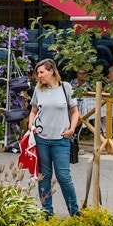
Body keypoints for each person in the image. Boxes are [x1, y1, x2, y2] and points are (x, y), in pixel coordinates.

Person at [29, 58, 80, 217]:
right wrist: (31, 126)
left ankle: (74, 212)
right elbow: (33, 111)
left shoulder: (66, 87)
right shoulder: (38, 89)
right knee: (44, 176)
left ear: (51, 71)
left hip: (61, 139)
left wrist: (72, 129)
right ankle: (47, 213)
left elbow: (75, 112)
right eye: (37, 73)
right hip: (41, 139)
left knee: (63, 176)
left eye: (41, 72)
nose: (39, 76)